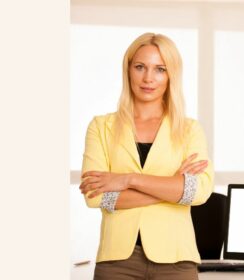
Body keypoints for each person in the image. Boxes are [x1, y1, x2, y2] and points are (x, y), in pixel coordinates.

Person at [79, 32, 214, 280]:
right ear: (128, 69)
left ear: (171, 74)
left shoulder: (189, 129)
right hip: (117, 262)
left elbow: (197, 192)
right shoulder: (100, 127)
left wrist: (127, 180)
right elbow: (95, 196)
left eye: (160, 69)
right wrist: (172, 188)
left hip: (177, 259)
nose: (148, 78)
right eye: (140, 67)